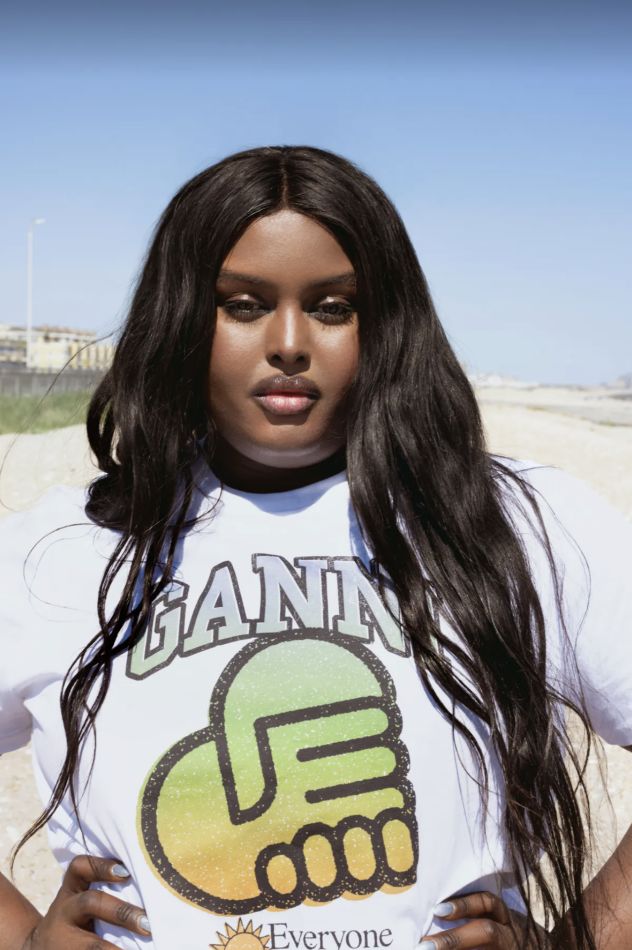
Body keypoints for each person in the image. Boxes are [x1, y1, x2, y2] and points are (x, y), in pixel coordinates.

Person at [0, 145, 631, 950]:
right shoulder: (66, 550)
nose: (290, 341)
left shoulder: (512, 521)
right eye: (242, 304)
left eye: (334, 307)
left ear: (387, 323)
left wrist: (573, 942)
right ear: (182, 317)